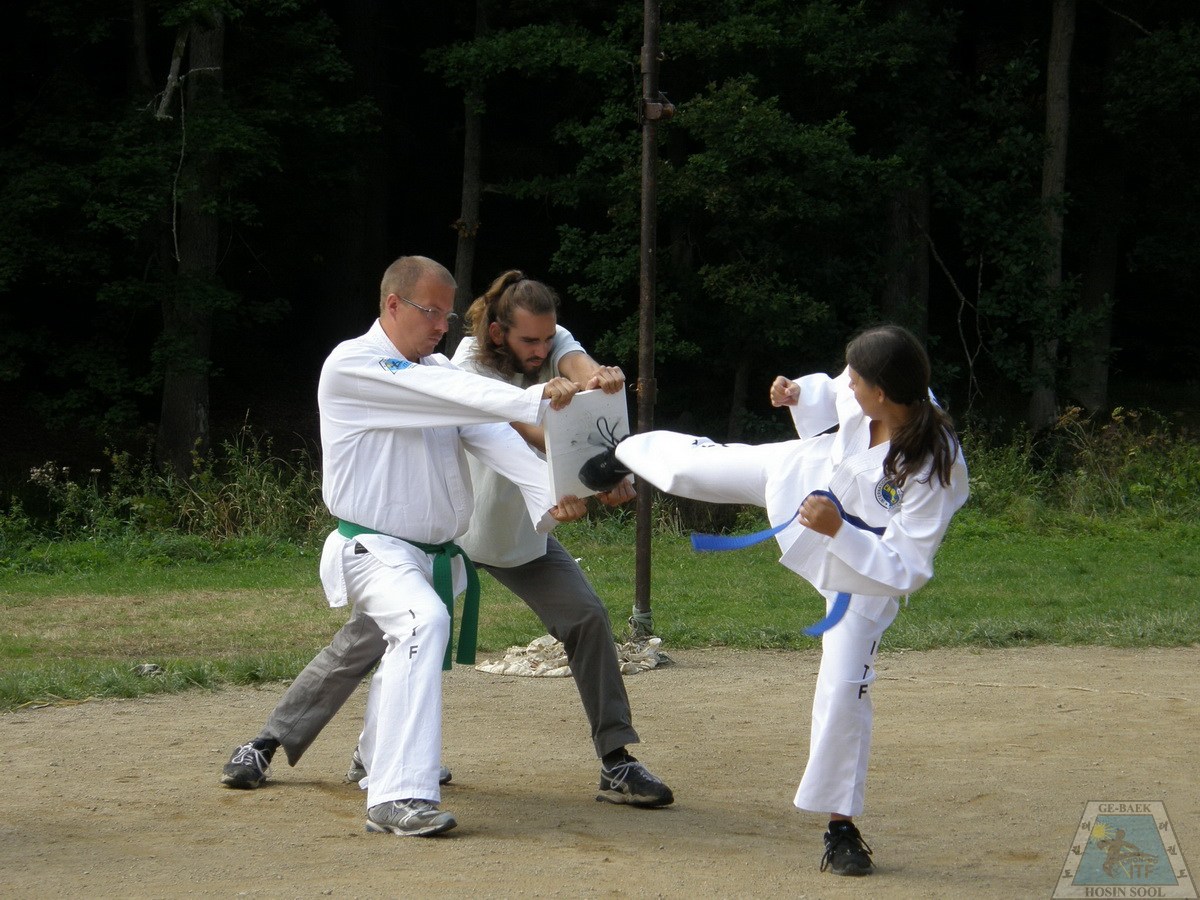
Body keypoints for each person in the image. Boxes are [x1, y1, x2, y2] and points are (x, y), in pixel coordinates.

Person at [220, 263, 672, 826]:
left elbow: (494, 438)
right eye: (429, 311)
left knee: (416, 633)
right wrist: (539, 400)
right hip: (378, 548)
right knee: (412, 628)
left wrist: (558, 493)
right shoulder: (357, 364)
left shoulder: (436, 369)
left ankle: (375, 758)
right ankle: (370, 783)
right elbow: (464, 395)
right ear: (392, 305)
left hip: (446, 548)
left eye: (446, 313)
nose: (440, 324)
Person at [611, 324, 969, 876]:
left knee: (844, 688)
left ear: (882, 392)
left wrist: (839, 531)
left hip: (860, 573)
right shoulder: (873, 391)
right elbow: (830, 390)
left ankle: (841, 827)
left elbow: (906, 569)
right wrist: (798, 394)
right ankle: (615, 451)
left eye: (855, 380)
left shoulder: (935, 464)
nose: (847, 384)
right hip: (799, 474)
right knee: (690, 469)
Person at [448, 269, 671, 807]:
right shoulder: (466, 367)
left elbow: (583, 371)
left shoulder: (550, 342)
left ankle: (616, 761)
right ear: (498, 332)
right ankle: (299, 743)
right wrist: (598, 474)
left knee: (587, 618)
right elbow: (533, 433)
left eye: (547, 338)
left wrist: (603, 383)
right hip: (453, 530)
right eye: (530, 340)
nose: (541, 349)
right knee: (386, 634)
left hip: (522, 535)